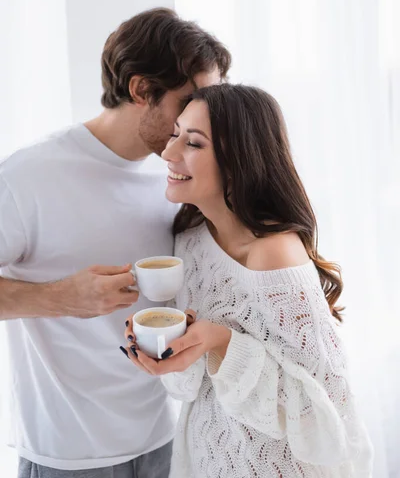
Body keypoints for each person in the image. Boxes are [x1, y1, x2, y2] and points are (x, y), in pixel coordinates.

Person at [0, 8, 231, 478]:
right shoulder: (28, 176)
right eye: (189, 100)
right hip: (68, 459)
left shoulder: (176, 174)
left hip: (165, 441)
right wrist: (56, 298)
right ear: (142, 89)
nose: (200, 116)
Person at [123, 83, 373, 478]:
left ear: (239, 160)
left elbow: (326, 408)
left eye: (194, 143)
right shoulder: (190, 242)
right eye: (174, 136)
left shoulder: (274, 255)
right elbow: (194, 385)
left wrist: (222, 342)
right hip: (207, 459)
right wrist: (172, 346)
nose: (169, 154)